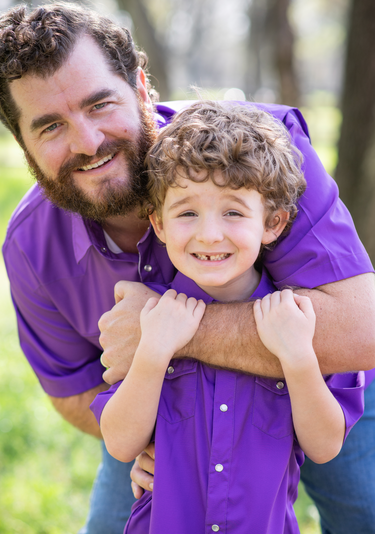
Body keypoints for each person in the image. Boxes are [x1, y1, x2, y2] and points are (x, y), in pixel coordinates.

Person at [0, 3, 375, 534]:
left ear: (141, 87)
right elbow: (72, 391)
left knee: (366, 511)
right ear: (22, 142)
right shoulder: (31, 246)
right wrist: (154, 443)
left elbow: (362, 327)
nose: (88, 142)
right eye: (50, 126)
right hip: (163, 419)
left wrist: (168, 327)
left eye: (100, 104)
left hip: (315, 391)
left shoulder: (261, 153)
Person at [91, 100, 365, 533]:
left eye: (233, 211)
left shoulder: (297, 320)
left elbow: (326, 446)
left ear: (273, 223)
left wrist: (296, 359)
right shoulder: (151, 319)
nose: (209, 234)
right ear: (158, 225)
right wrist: (153, 352)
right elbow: (123, 444)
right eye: (187, 213)